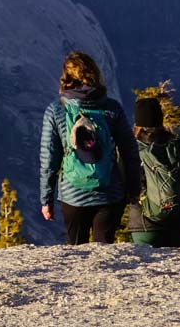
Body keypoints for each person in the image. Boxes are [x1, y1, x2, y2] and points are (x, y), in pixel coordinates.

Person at [38, 50, 139, 245]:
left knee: (76, 253)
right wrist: (133, 190)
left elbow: (48, 159)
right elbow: (130, 151)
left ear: (66, 77)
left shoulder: (56, 110)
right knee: (105, 252)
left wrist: (46, 199)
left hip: (72, 195)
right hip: (110, 193)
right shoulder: (111, 108)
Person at [125, 96, 180, 248]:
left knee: (146, 270)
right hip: (178, 222)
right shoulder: (177, 145)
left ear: (137, 122)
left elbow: (122, 186)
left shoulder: (132, 148)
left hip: (145, 225)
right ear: (160, 119)